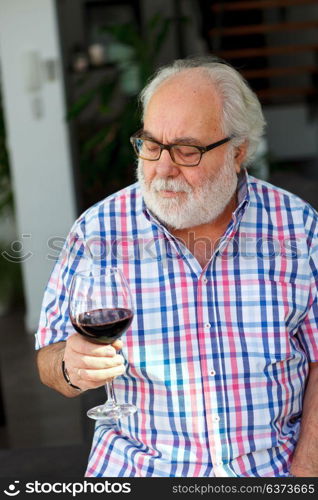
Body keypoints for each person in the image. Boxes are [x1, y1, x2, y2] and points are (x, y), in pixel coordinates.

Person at [36, 57, 318, 477]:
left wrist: (307, 471)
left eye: (187, 150)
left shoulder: (298, 227)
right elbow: (49, 360)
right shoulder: (98, 230)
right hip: (141, 471)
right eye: (151, 145)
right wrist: (69, 366)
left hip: (270, 471)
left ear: (238, 152)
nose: (162, 169)